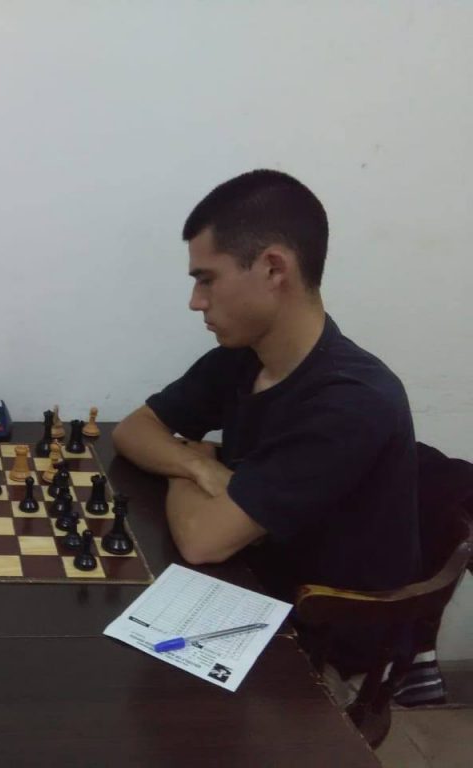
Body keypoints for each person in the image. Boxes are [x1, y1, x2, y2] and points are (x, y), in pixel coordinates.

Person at [112, 169, 420, 677]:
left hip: (318, 646)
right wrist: (197, 465)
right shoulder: (246, 357)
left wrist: (184, 457)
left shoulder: (351, 401)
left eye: (207, 279)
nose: (196, 302)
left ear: (274, 268)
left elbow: (203, 540)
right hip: (247, 587)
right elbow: (134, 429)